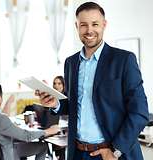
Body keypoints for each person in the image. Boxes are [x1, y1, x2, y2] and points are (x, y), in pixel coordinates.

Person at [37, 2, 149, 160]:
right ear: (77, 26)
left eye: (95, 24)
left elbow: (140, 112)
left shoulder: (124, 60)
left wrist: (115, 151)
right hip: (78, 152)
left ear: (104, 25)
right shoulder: (71, 62)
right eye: (83, 25)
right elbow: (75, 105)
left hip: (112, 153)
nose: (89, 30)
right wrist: (55, 103)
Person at [0, 83, 60, 160]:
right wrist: (48, 131)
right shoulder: (1, 119)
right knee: (43, 146)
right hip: (6, 154)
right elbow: (26, 136)